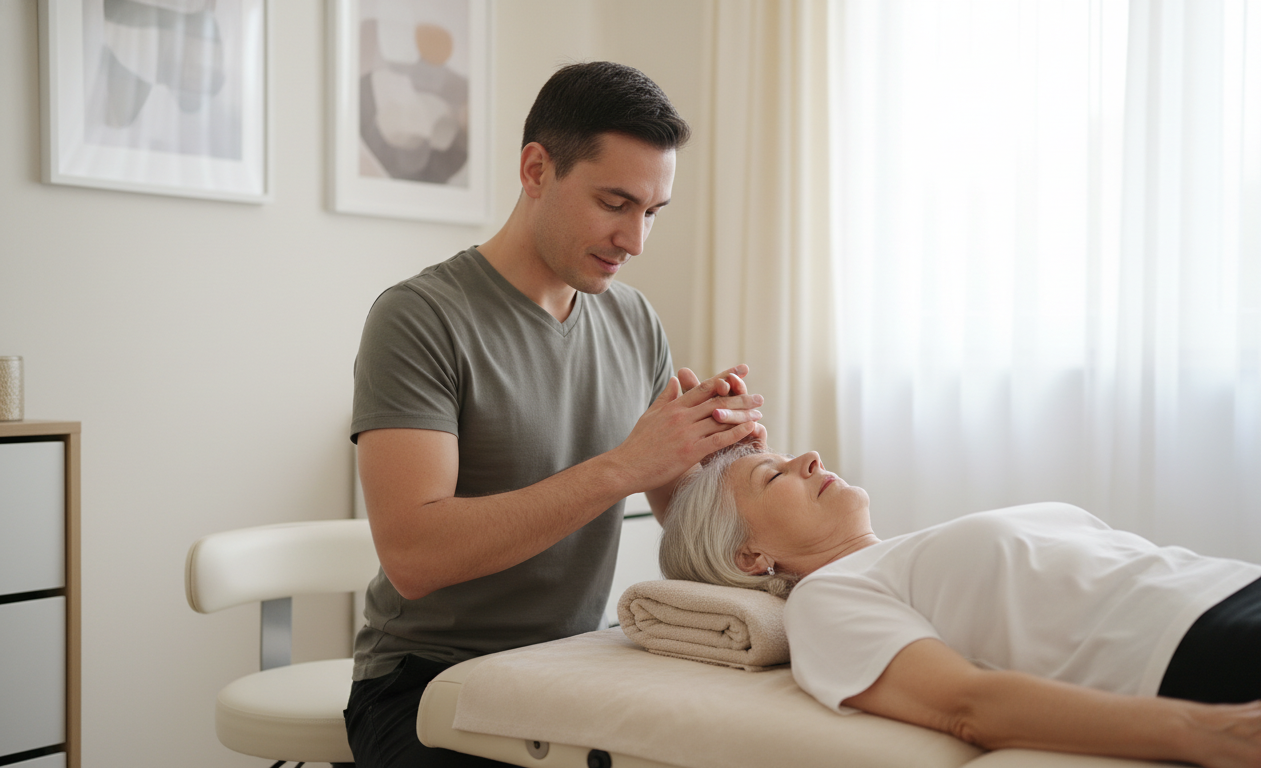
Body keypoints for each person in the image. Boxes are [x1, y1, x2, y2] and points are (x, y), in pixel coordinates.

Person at [346, 62, 767, 767]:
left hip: (574, 665)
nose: (634, 240)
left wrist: (731, 467)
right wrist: (622, 467)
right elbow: (415, 557)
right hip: (424, 682)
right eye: (614, 203)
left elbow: (678, 512)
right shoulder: (420, 318)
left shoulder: (632, 320)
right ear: (536, 170)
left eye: (652, 213)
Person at [660, 443, 1261, 768]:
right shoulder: (827, 597)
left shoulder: (904, 556)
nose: (810, 459)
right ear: (749, 556)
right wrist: (1212, 733)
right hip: (1199, 641)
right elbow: (966, 705)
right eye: (774, 476)